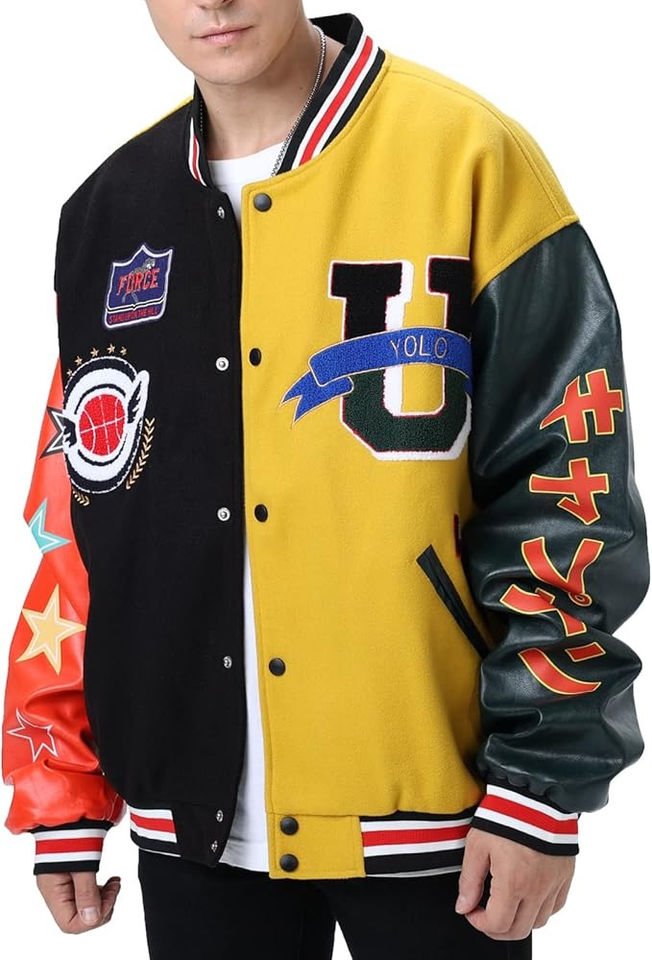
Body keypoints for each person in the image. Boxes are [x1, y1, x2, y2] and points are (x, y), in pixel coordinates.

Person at [2, 2, 648, 958]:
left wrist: (539, 790)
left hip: (444, 823)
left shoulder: (471, 156)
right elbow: (80, 514)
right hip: (192, 828)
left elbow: (566, 485)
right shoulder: (108, 209)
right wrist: (61, 784)